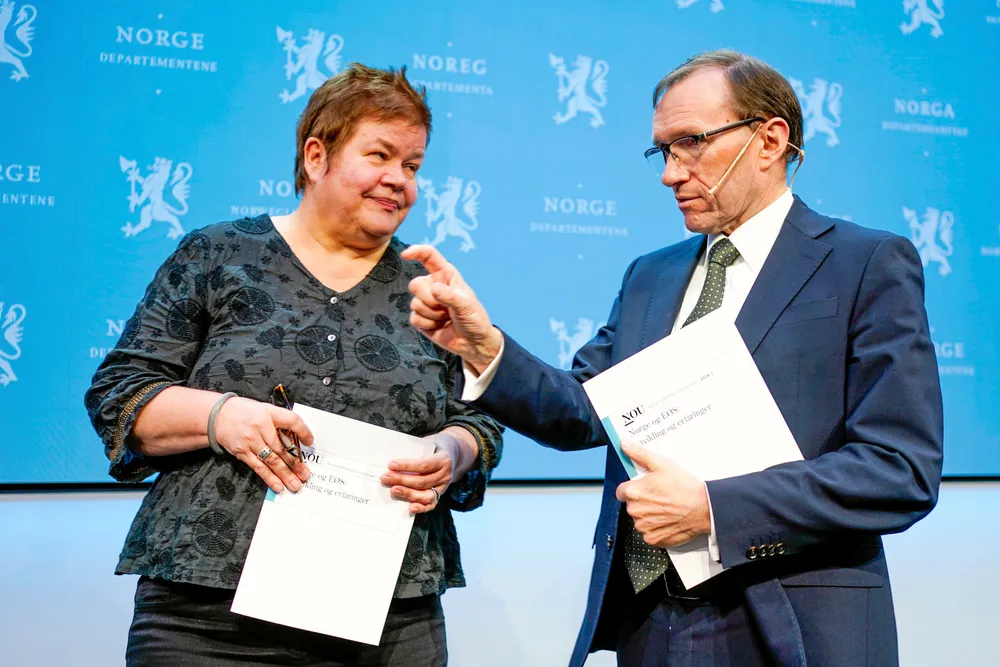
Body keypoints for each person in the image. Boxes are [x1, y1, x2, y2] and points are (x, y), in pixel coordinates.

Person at [403, 50, 943, 667]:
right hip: (650, 623)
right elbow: (584, 411)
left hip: (796, 625)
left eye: (690, 143)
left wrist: (715, 508)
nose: (669, 173)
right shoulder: (650, 276)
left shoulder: (865, 263)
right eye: (662, 150)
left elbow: (898, 470)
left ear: (769, 141)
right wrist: (484, 348)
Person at [85, 63, 503, 667]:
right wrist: (221, 417)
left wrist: (451, 452)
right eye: (380, 155)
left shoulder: (429, 288)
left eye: (412, 166)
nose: (399, 180)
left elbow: (480, 421)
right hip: (207, 621)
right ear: (315, 156)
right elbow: (121, 394)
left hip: (388, 620)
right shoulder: (218, 254)